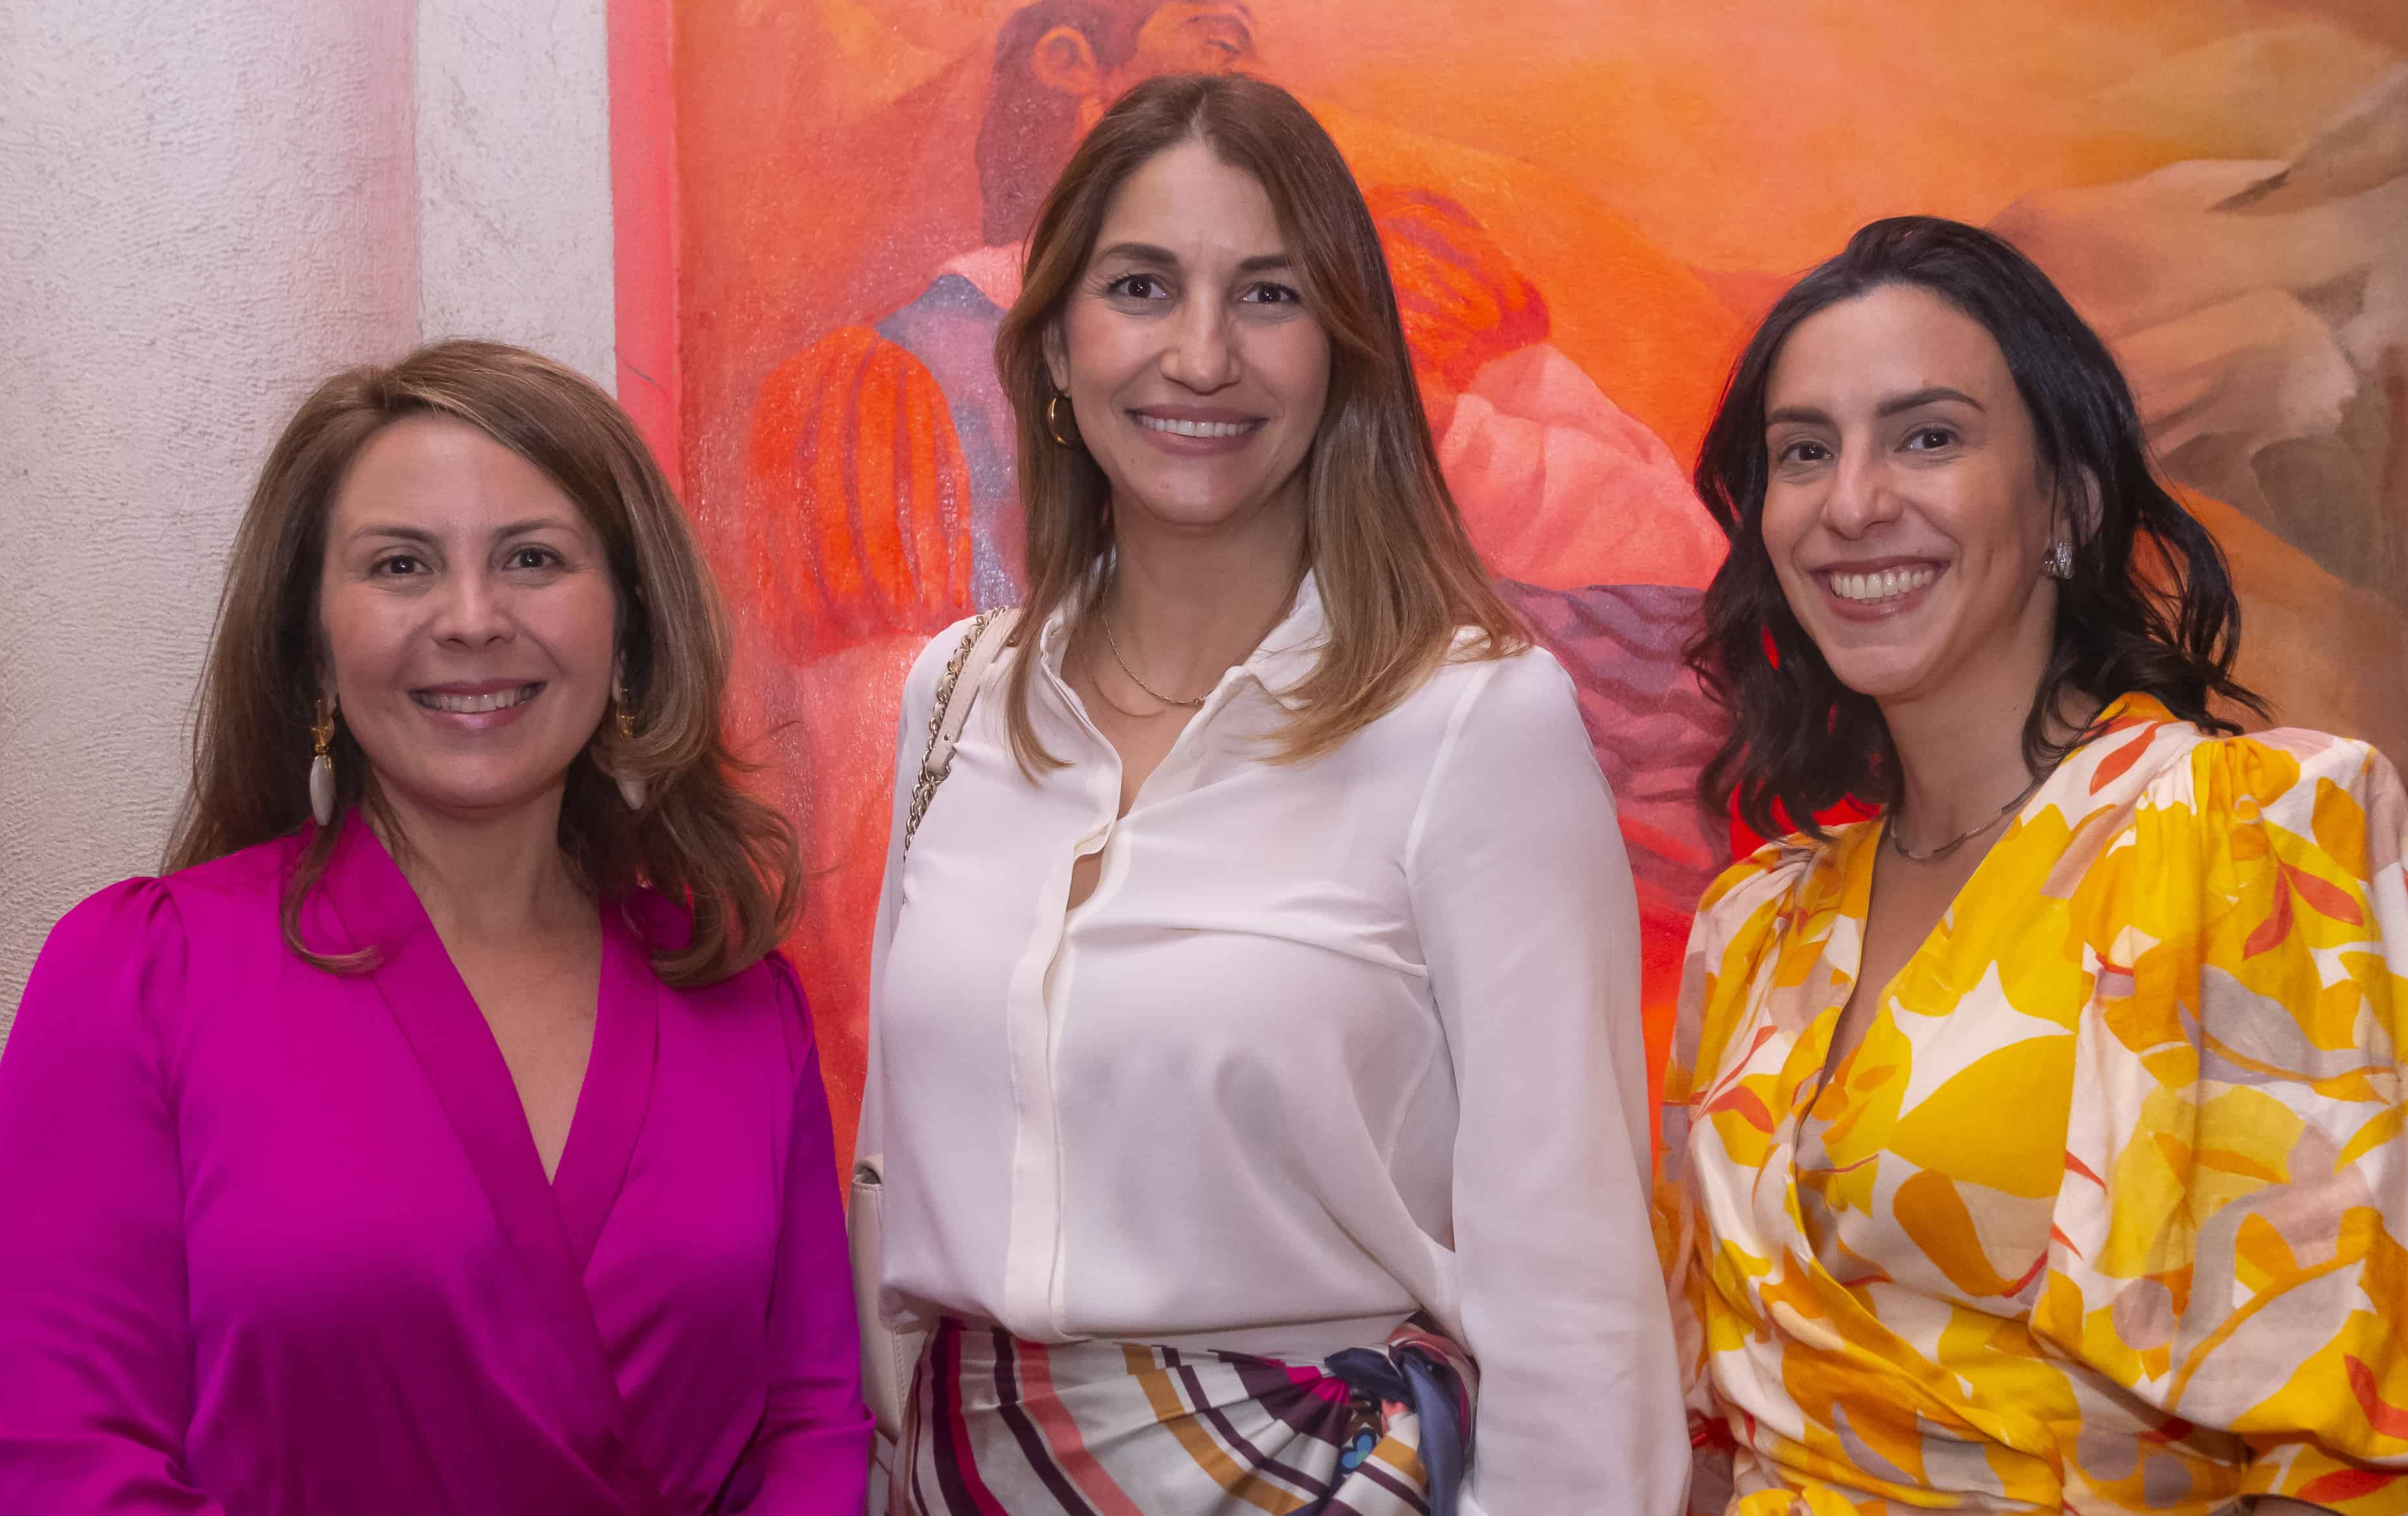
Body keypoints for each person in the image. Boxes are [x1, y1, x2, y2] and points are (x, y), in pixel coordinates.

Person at [845, 72, 1687, 1516]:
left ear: (1348, 355)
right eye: (1141, 286)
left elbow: (1573, 1288)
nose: (1201, 352)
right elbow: (893, 1187)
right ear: (1049, 342)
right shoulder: (949, 707)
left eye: (1272, 292)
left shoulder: (1475, 720)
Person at [0, 341, 869, 1516]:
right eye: (399, 565)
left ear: (629, 624)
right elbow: (65, 1459)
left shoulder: (737, 998)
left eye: (533, 558)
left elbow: (811, 1437)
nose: (471, 618)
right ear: (314, 644)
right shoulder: (143, 972)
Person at [1650, 216, 2408, 1516]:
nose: (1852, 499)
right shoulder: (1755, 926)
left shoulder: (2257, 835)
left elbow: (2358, 1450)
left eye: (1929, 435)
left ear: (2070, 504)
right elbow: (1752, 1469)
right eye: (1802, 453)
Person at [738, 0, 1731, 1143]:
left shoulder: (1416, 295)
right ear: (1073, 65)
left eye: (1268, 295)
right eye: (1212, 32)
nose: (1202, 358)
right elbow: (889, 969)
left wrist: (1422, 421)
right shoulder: (883, 404)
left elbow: (1674, 581)